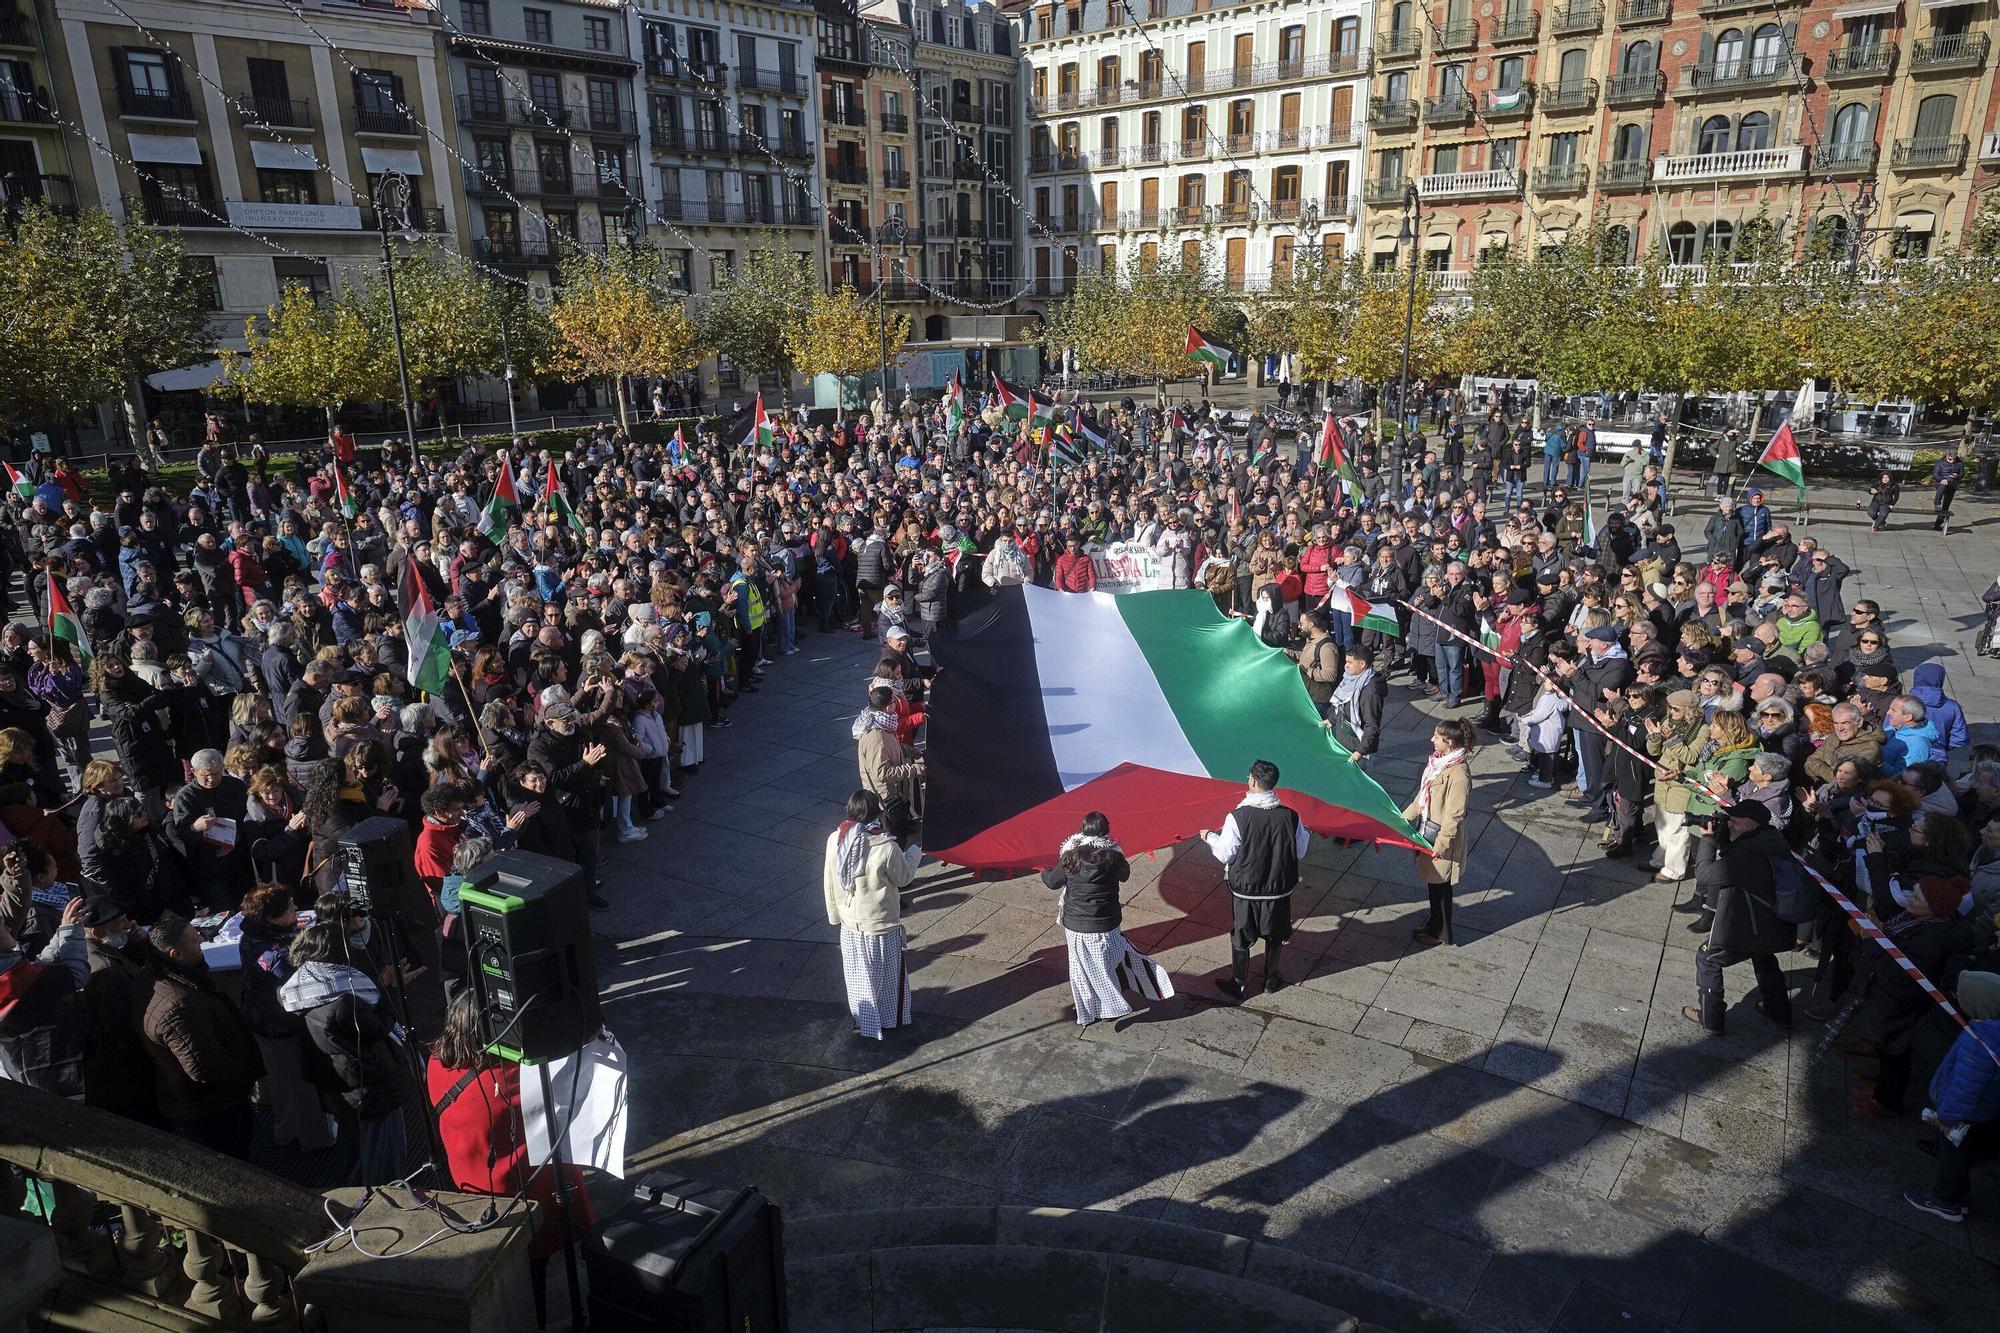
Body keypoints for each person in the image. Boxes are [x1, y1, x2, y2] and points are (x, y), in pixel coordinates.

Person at [427, 990, 595, 1322]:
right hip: (524, 1198)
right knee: (531, 1277)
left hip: (473, 1190)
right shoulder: (513, 1080)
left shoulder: (436, 1064)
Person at [281, 918, 421, 1185]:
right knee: (384, 1157)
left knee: (352, 1149)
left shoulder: (299, 989)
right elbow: (380, 1025)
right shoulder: (346, 999)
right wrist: (388, 990)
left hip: (339, 1086)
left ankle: (349, 1193)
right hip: (371, 1085)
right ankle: (383, 1200)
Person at [140, 912, 264, 1159]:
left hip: (205, 1102)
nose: (201, 943)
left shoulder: (165, 980)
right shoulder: (178, 1004)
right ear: (176, 954)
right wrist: (244, 1073)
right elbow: (204, 1067)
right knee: (231, 1161)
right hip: (210, 1108)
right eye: (195, 941)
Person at [1041, 812, 1173, 1026]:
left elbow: (1052, 882)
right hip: (1107, 922)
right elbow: (1125, 876)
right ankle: (1110, 1007)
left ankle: (1088, 1012)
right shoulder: (1114, 856)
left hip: (1076, 925)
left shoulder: (1070, 856)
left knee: (1079, 969)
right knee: (1106, 965)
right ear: (1106, 831)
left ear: (1083, 829)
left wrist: (1044, 871)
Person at [1202, 759, 1310, 1001]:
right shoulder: (1291, 816)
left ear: (1252, 781)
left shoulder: (1237, 817)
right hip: (1278, 889)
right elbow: (1301, 851)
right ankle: (1271, 980)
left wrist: (1209, 837)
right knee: (1275, 934)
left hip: (1246, 890)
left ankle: (1239, 984)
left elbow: (1225, 854)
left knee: (1242, 936)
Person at [1683, 802, 1795, 1034]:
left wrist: (1707, 838)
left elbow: (1705, 875)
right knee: (1763, 956)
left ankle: (1710, 1018)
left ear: (1752, 825)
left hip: (1747, 925)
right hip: (1772, 923)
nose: (1731, 823)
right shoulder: (1771, 840)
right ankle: (1779, 1011)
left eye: (1736, 820)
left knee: (1707, 959)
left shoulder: (1746, 856)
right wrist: (1725, 835)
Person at [821, 790, 915, 1040]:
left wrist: (834, 915)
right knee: (888, 979)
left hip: (851, 925)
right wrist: (914, 853)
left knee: (859, 979)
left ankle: (864, 1022)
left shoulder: (836, 839)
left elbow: (829, 880)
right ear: (878, 814)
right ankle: (889, 1021)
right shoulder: (886, 846)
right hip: (881, 925)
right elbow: (904, 878)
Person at [1402, 720, 1474, 946]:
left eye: (1437, 736)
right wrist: (1402, 820)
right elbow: (1422, 798)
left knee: (1441, 887)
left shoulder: (1459, 774)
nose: (1432, 739)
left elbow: (1454, 815)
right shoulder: (1439, 763)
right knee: (1434, 884)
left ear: (1449, 742)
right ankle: (1434, 924)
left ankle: (1441, 932)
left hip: (1441, 839)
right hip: (1429, 832)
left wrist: (1441, 845)